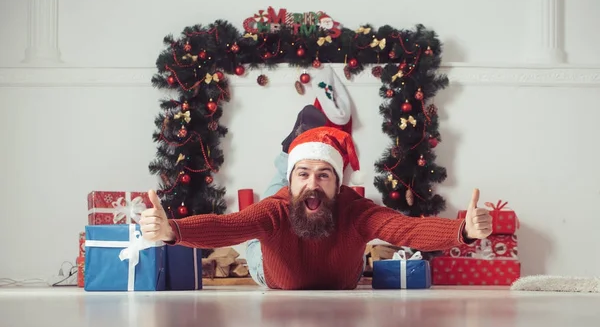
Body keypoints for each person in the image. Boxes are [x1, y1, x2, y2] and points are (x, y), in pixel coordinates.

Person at [140, 124, 493, 290]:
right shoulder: (274, 209)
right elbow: (228, 225)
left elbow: (406, 229)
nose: (312, 184)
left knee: (296, 195)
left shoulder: (356, 210)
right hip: (272, 273)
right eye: (303, 175)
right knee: (258, 223)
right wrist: (173, 229)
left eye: (324, 175)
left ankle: (297, 147)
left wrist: (463, 231)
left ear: (339, 184)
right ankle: (289, 155)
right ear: (294, 182)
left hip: (338, 273)